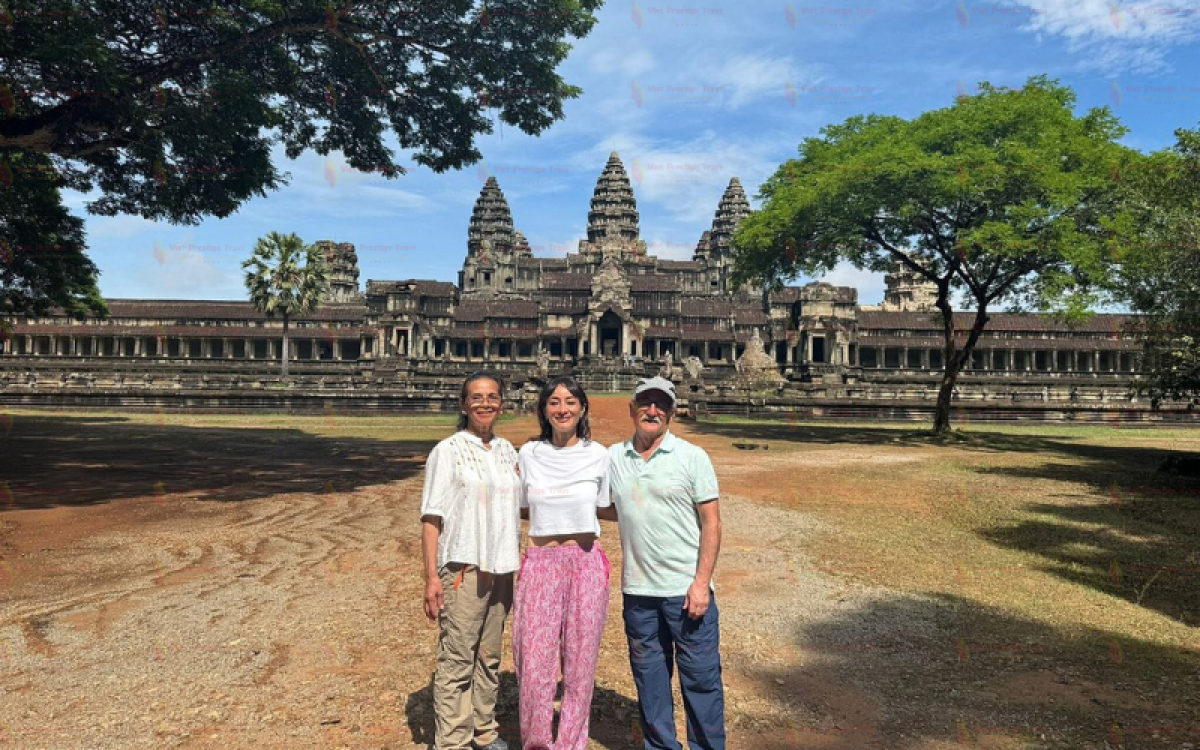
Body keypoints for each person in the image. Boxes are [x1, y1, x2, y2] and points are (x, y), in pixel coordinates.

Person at [604, 376, 725, 750]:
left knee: (701, 679)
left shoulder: (691, 456)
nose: (652, 410)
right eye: (645, 403)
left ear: (671, 412)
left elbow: (711, 522)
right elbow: (606, 506)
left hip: (685, 591)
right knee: (650, 680)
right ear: (632, 409)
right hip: (638, 592)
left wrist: (701, 582)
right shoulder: (613, 457)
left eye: (660, 405)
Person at [420, 371, 521, 750]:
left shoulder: (508, 450)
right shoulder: (447, 451)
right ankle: (452, 740)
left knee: (489, 655)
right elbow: (432, 518)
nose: (485, 403)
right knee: (458, 656)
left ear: (502, 404)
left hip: (502, 566)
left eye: (492, 396)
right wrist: (431, 577)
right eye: (476, 397)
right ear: (463, 404)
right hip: (463, 565)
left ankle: (484, 729)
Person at [512, 376, 611, 750]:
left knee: (580, 665)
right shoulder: (528, 454)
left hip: (585, 561)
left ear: (582, 408)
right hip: (540, 562)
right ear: (544, 410)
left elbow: (604, 504)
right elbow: (520, 507)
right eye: (554, 402)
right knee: (535, 664)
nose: (563, 408)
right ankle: (536, 742)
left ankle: (570, 743)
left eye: (570, 401)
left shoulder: (599, 454)